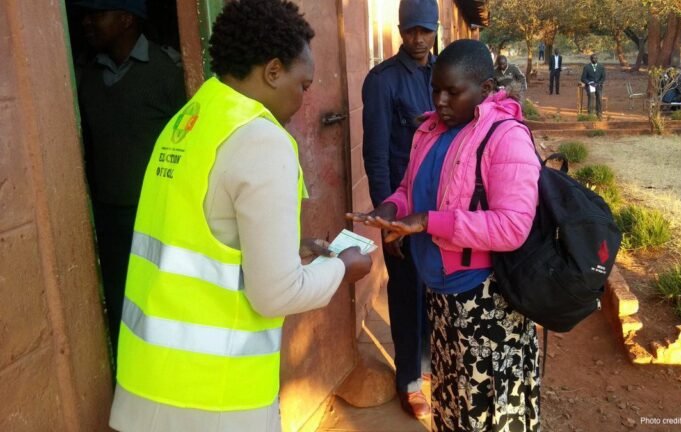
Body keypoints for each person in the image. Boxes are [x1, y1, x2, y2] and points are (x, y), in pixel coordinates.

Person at [108, 1, 372, 431]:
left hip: (146, 384)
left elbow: (199, 234)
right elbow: (277, 294)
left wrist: (290, 247)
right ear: (271, 71)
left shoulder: (189, 120)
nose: (303, 101)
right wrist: (342, 269)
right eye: (302, 85)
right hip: (215, 398)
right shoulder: (261, 139)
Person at [349, 39, 542, 431]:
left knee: (488, 410)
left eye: (453, 92)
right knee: (452, 399)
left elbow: (512, 226)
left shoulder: (505, 138)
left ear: (485, 89)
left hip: (486, 302)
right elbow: (410, 187)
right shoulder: (433, 130)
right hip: (442, 295)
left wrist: (428, 222)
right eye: (435, 89)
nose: (439, 100)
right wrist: (392, 208)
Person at [73, 0, 187, 358]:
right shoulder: (88, 76)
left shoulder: (167, 72)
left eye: (97, 14)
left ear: (126, 20)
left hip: (159, 214)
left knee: (165, 297)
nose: (87, 23)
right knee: (122, 298)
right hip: (109, 215)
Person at [360, 0, 438, 419]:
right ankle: (409, 380)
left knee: (437, 290)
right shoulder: (382, 81)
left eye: (425, 31)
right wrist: (386, 221)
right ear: (400, 30)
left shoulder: (445, 74)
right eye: (411, 31)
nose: (418, 39)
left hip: (442, 208)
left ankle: (431, 368)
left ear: (436, 30)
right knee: (407, 293)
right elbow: (375, 157)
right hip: (403, 211)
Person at [581, 53, 606, 118]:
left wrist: (599, 83)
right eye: (593, 58)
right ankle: (591, 113)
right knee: (592, 96)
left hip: (598, 85)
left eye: (596, 58)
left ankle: (599, 113)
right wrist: (589, 83)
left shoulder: (601, 67)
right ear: (591, 59)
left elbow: (603, 78)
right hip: (590, 85)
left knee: (599, 97)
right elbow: (583, 78)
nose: (595, 59)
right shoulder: (586, 67)